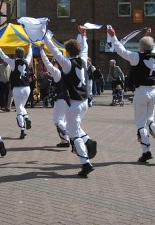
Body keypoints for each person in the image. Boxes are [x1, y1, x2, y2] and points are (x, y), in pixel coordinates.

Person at [107, 27, 155, 162]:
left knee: (141, 123)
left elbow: (121, 51)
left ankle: (146, 151)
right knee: (150, 119)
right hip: (153, 91)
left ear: (141, 47)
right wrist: (148, 36)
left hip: (141, 91)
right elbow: (150, 47)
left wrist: (113, 37)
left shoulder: (137, 57)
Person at [43, 26, 97, 178]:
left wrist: (45, 37)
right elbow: (85, 48)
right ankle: (88, 141)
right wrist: (83, 35)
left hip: (73, 102)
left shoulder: (67, 64)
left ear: (67, 51)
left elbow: (53, 50)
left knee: (73, 133)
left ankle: (86, 164)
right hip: (84, 101)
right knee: (75, 126)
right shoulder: (84, 60)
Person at [0, 39, 33, 139]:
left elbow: (3, 56)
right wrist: (30, 47)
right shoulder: (26, 61)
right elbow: (30, 55)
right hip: (27, 88)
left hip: (17, 88)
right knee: (21, 107)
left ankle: (22, 129)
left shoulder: (13, 62)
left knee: (19, 109)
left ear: (15, 54)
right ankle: (26, 118)